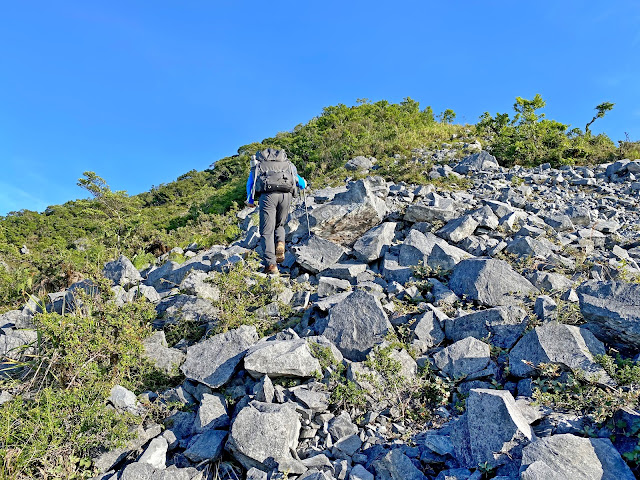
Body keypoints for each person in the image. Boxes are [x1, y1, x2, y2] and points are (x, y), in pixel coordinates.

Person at [246, 148, 307, 274]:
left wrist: (250, 200)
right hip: (286, 195)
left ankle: (271, 265)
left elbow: (250, 183)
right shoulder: (288, 164)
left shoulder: (259, 165)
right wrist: (304, 184)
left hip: (267, 196)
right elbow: (301, 183)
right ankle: (280, 243)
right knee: (279, 224)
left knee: (266, 231)